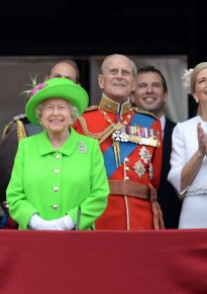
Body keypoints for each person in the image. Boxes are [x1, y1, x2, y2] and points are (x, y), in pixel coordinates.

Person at [73, 54, 163, 230]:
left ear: (134, 84)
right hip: (98, 216)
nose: (120, 76)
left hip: (141, 218)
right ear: (101, 81)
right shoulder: (82, 121)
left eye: (126, 73)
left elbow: (155, 179)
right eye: (113, 71)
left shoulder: (152, 124)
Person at [6, 78, 109, 230]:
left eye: (62, 107)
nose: (55, 113)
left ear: (72, 113)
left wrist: (69, 221)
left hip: (78, 240)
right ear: (40, 115)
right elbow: (14, 196)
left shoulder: (90, 148)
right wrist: (35, 222)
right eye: (49, 108)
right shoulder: (26, 147)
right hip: (33, 240)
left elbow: (99, 195)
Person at [0, 59, 80, 228]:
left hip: (75, 228)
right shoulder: (21, 129)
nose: (61, 81)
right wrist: (31, 220)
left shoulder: (86, 131)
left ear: (78, 86)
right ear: (46, 80)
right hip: (31, 226)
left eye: (68, 79)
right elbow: (6, 186)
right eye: (57, 76)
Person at [132, 65, 182, 229]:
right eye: (142, 86)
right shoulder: (119, 135)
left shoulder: (181, 133)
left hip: (174, 227)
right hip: (133, 224)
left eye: (155, 85)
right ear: (132, 96)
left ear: (165, 95)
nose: (149, 90)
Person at [167, 62, 207, 228]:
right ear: (194, 94)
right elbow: (180, 184)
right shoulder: (182, 129)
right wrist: (200, 154)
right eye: (202, 80)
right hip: (194, 211)